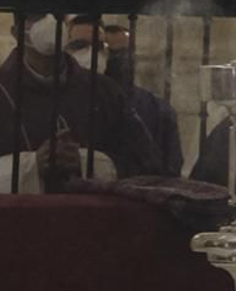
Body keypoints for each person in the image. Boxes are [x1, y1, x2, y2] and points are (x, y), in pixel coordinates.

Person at [0, 13, 166, 192]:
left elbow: (150, 166)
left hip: (93, 229)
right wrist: (29, 167)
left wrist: (89, 163)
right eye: (36, 16)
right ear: (16, 31)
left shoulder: (103, 90)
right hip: (12, 230)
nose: (50, 22)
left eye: (57, 15)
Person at [66, 17, 184, 177]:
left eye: (121, 53)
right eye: (80, 46)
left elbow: (162, 168)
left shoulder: (155, 108)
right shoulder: (57, 99)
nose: (91, 53)